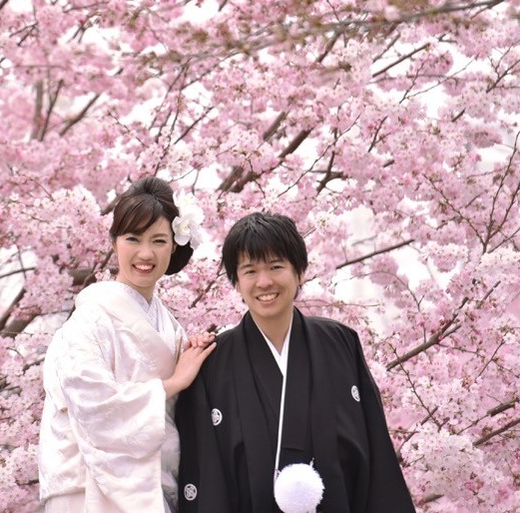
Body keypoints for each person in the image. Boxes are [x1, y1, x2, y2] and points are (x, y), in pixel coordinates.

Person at [174, 212, 416, 513]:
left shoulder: (341, 343)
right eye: (250, 271)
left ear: (300, 272)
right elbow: (206, 470)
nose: (264, 282)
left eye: (276, 267)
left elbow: (376, 453)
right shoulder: (213, 361)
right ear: (236, 281)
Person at [38, 177, 217, 512]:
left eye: (159, 240)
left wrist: (198, 355)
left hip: (152, 486)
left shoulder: (170, 327)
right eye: (133, 238)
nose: (145, 253)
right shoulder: (91, 318)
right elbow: (91, 400)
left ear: (174, 247)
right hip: (91, 488)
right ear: (114, 242)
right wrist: (174, 382)